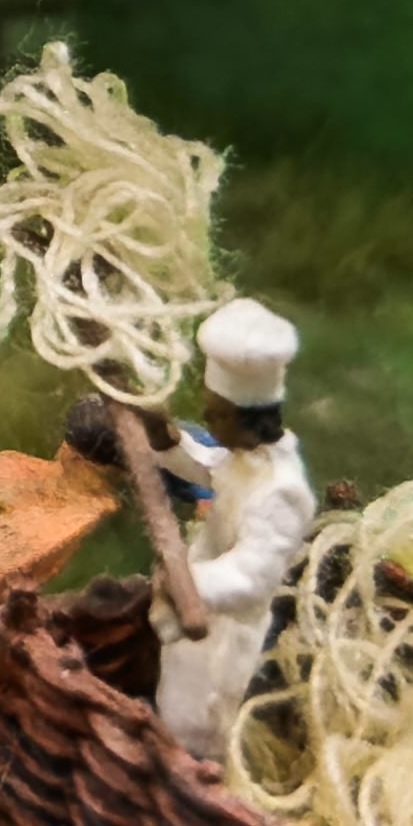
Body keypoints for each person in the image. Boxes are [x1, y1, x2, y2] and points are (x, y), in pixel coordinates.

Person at [133, 298, 314, 764]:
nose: (209, 423)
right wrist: (166, 439)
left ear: (248, 419)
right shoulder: (242, 460)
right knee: (175, 694)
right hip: (197, 612)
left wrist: (188, 581)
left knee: (201, 716)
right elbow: (209, 468)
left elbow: (255, 576)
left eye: (216, 416)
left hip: (228, 629)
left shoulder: (281, 490)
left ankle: (194, 774)